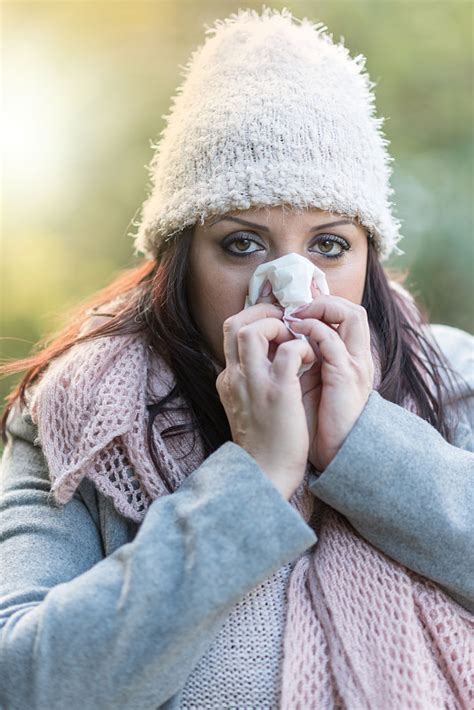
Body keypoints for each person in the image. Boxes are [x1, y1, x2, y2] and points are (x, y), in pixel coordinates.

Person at [0, 7, 473, 710]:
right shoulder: (77, 417)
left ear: (369, 257)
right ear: (181, 259)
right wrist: (252, 480)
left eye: (329, 244)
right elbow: (29, 684)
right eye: (243, 243)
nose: (291, 286)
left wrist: (365, 444)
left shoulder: (450, 377)